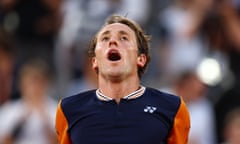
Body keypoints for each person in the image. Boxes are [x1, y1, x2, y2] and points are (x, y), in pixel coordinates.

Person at [55, 14, 190, 144]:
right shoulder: (68, 110)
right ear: (94, 62)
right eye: (105, 39)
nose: (113, 41)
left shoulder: (172, 108)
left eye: (124, 38)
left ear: (141, 59)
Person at [0, 58, 57, 144]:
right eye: (30, 83)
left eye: (38, 83)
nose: (34, 88)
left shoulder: (56, 109)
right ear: (21, 84)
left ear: (46, 83)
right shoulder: (8, 109)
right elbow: (5, 141)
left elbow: (60, 141)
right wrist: (22, 120)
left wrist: (45, 119)